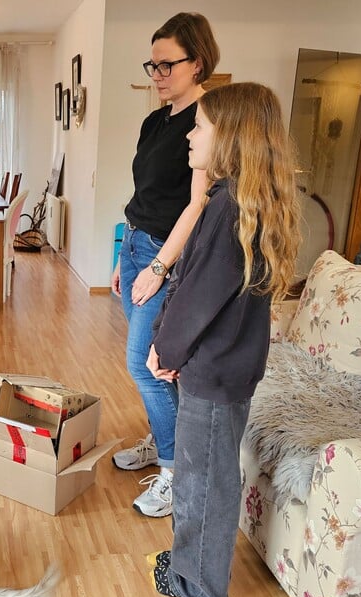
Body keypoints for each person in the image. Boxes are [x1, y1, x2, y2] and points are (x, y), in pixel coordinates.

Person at [145, 82, 302, 597]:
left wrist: (165, 351)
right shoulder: (236, 201)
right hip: (224, 366)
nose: (190, 134)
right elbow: (193, 284)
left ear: (229, 137)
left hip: (214, 372)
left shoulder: (227, 208)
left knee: (202, 484)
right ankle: (193, 563)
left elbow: (196, 296)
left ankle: (200, 583)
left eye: (200, 126)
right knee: (201, 476)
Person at [110, 12, 219, 519]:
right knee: (152, 367)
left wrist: (158, 266)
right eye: (151, 66)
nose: (156, 75)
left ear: (197, 63)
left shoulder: (208, 122)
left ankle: (177, 473)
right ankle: (162, 442)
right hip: (135, 245)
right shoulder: (155, 121)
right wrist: (122, 256)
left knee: (146, 365)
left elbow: (197, 205)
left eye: (166, 65)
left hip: (163, 255)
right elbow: (143, 195)